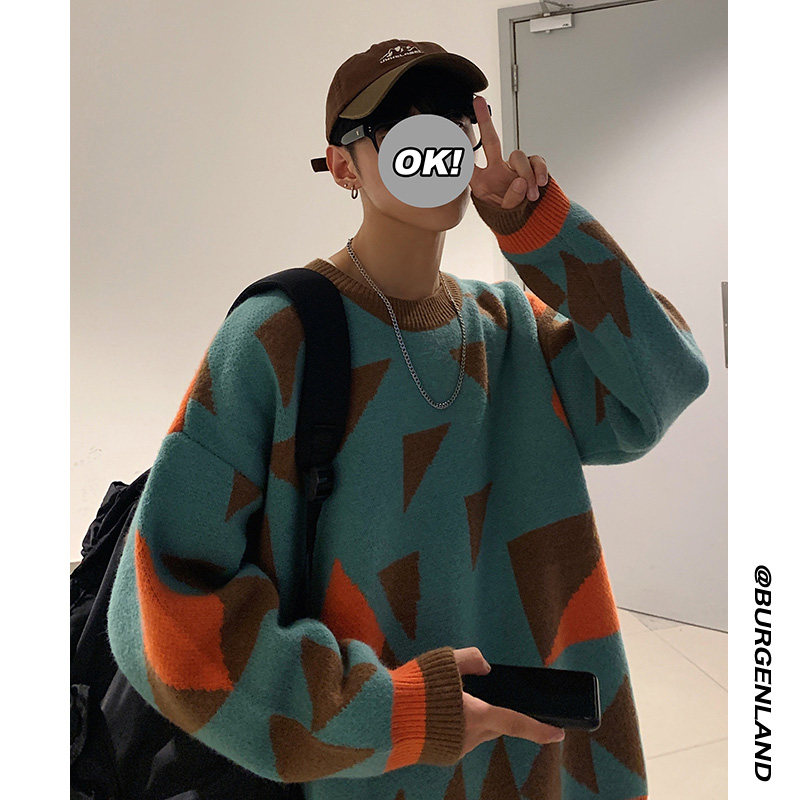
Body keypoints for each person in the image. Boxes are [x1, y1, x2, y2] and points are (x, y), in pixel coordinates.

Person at [107, 38, 710, 800]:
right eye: (401, 125)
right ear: (343, 166)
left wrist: (539, 229)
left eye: (455, 121)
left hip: (541, 766)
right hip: (368, 777)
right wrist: (386, 714)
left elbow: (662, 385)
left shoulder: (512, 330)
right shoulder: (276, 340)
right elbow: (164, 610)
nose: (439, 144)